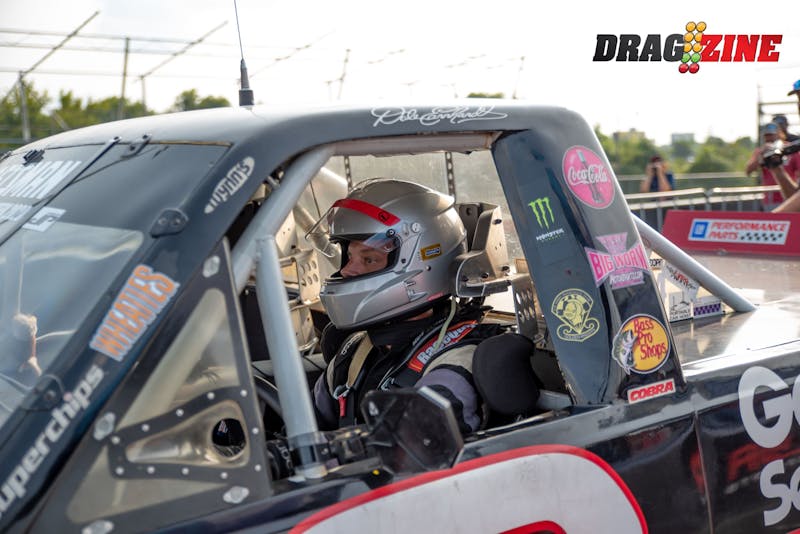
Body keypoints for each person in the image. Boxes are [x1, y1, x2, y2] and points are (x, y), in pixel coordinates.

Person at [307, 179, 502, 434]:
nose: (346, 271)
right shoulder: (355, 349)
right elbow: (305, 427)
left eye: (368, 259)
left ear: (421, 264)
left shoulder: (455, 365)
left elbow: (410, 450)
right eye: (350, 256)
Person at [746, 123, 788, 211]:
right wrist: (761, 155)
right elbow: (748, 170)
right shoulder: (761, 151)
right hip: (770, 200)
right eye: (766, 135)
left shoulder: (789, 148)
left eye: (771, 135)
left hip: (789, 197)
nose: (769, 138)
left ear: (779, 134)